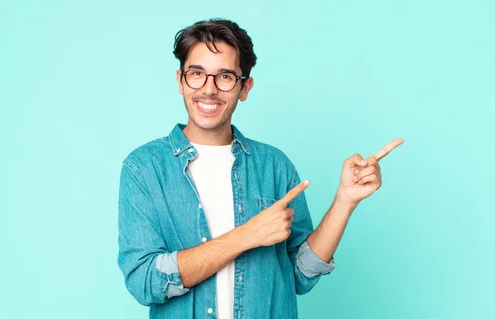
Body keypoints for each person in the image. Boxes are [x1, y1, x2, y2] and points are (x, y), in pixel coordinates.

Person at [117, 18, 403, 319]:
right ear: (180, 80)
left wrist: (345, 200)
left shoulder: (274, 166)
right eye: (197, 74)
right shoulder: (144, 168)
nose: (209, 89)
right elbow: (144, 280)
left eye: (225, 76)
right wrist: (248, 235)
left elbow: (300, 274)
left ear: (244, 87)